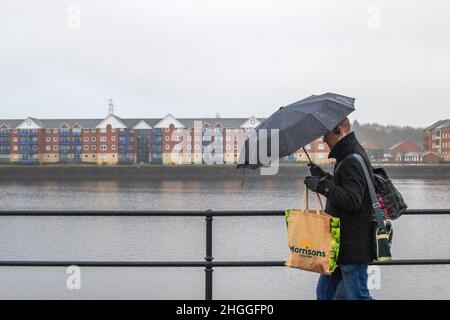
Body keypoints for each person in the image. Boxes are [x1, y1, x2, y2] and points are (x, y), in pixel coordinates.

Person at [303, 117, 374, 300]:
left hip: (351, 245)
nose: (323, 139)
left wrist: (321, 186)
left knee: (358, 296)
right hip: (339, 245)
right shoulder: (349, 156)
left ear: (338, 131)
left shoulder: (351, 159)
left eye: (326, 134)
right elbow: (345, 187)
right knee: (324, 294)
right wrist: (322, 176)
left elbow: (352, 200)